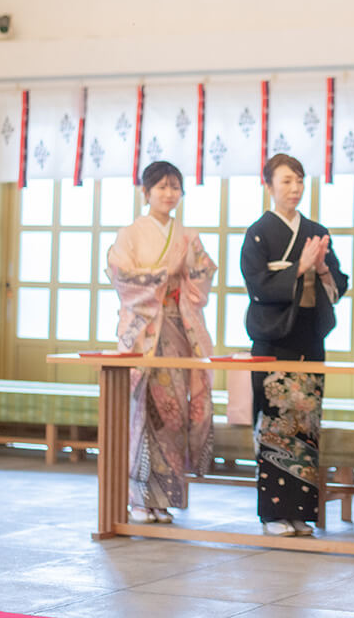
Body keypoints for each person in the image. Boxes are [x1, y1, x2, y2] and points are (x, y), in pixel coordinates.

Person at [241, 153, 349, 537]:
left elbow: (339, 282)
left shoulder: (316, 230)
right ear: (268, 185)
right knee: (274, 426)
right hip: (273, 341)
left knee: (305, 426)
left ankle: (301, 511)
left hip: (309, 339)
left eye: (299, 181)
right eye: (286, 181)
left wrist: (319, 268)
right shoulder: (258, 233)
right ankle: (273, 514)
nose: (295, 188)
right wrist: (298, 269)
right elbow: (257, 285)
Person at [107, 160, 217, 525]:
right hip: (144, 335)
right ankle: (138, 499)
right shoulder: (130, 233)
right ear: (145, 192)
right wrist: (160, 275)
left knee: (175, 414)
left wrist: (187, 274)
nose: (170, 194)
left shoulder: (188, 236)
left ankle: (165, 498)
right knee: (145, 414)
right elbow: (120, 273)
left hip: (176, 328)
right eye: (162, 187)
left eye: (175, 187)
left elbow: (202, 277)